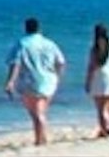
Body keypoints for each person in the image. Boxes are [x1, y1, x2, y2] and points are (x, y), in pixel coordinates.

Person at [4, 16, 66, 146]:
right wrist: (58, 78)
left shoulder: (22, 43)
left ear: (26, 28)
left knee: (36, 113)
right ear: (39, 29)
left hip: (30, 81)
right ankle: (42, 137)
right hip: (49, 81)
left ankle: (40, 140)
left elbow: (15, 63)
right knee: (41, 111)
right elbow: (61, 62)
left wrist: (10, 81)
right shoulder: (49, 43)